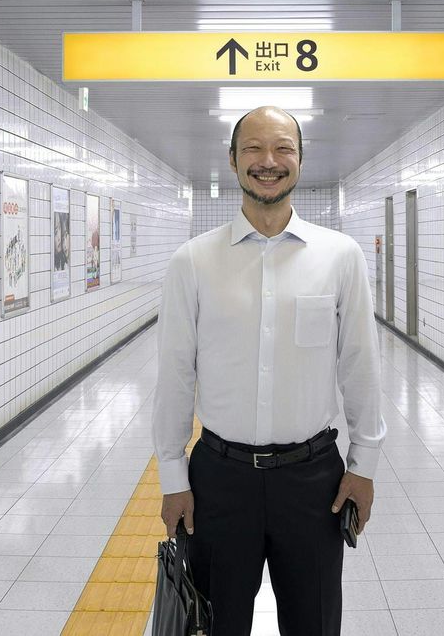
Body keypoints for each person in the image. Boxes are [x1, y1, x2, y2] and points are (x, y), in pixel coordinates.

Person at [153, 106, 386, 636]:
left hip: (314, 481)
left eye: (283, 148)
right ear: (233, 161)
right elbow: (174, 377)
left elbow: (360, 367)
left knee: (315, 623)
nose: (268, 161)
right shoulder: (192, 262)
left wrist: (364, 464)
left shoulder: (340, 256)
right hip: (219, 479)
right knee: (214, 625)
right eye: (253, 149)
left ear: (300, 160)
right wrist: (172, 476)